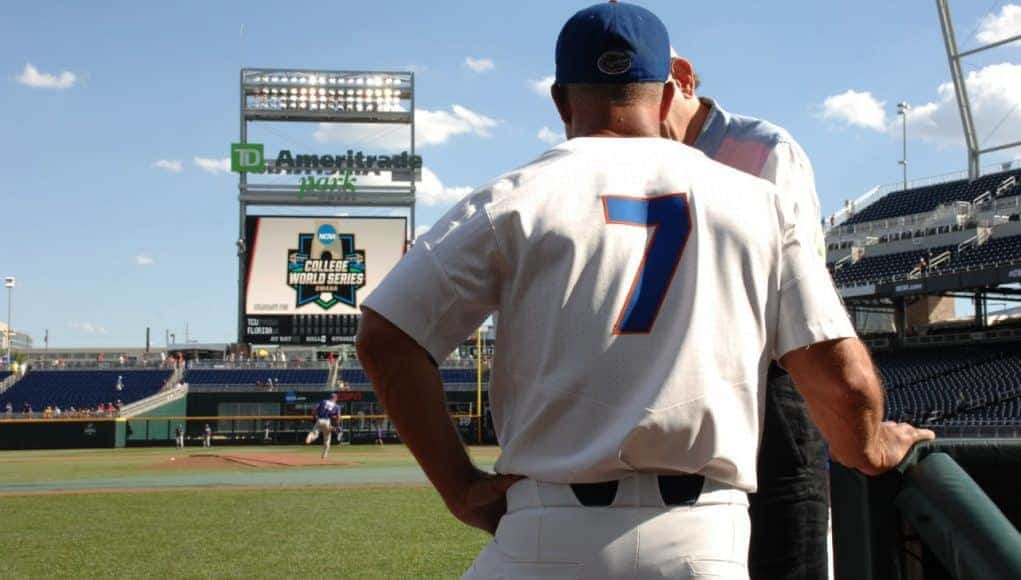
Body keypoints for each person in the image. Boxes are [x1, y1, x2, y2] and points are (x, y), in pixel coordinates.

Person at [355, 3, 934, 578]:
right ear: (665, 96)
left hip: (545, 527)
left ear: (561, 102)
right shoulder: (756, 201)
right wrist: (871, 447)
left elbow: (384, 336)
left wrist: (461, 489)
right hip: (703, 539)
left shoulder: (514, 195)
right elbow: (845, 382)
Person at [662, 45, 831, 579]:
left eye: (652, 95)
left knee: (785, 551)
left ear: (683, 80)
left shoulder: (763, 149)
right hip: (691, 386)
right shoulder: (645, 157)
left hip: (773, 380)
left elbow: (792, 292)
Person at [305, 392, 340, 459]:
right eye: (336, 398)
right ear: (335, 398)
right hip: (327, 422)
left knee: (314, 434)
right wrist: (337, 425)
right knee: (327, 439)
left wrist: (314, 417)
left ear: (330, 397)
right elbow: (338, 416)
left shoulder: (323, 401)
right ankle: (324, 455)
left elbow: (314, 409)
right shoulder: (336, 406)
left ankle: (309, 437)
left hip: (320, 420)